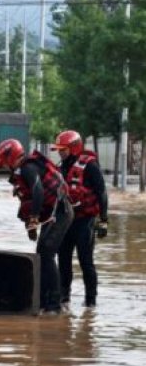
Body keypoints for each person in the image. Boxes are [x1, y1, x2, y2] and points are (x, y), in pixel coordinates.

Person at [0, 139, 73, 314]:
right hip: (53, 214)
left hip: (60, 213)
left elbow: (38, 191)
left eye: (5, 162)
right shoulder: (23, 169)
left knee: (46, 253)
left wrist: (34, 218)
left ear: (11, 157)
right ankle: (44, 301)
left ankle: (54, 305)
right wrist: (31, 225)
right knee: (42, 253)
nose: (5, 167)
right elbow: (32, 198)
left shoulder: (28, 168)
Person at [51, 130, 109, 309]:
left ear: (74, 148)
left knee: (86, 261)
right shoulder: (60, 167)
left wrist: (103, 220)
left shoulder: (90, 166)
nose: (60, 152)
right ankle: (64, 298)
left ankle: (90, 301)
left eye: (64, 149)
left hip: (85, 221)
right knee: (64, 260)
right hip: (65, 221)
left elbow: (102, 193)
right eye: (59, 149)